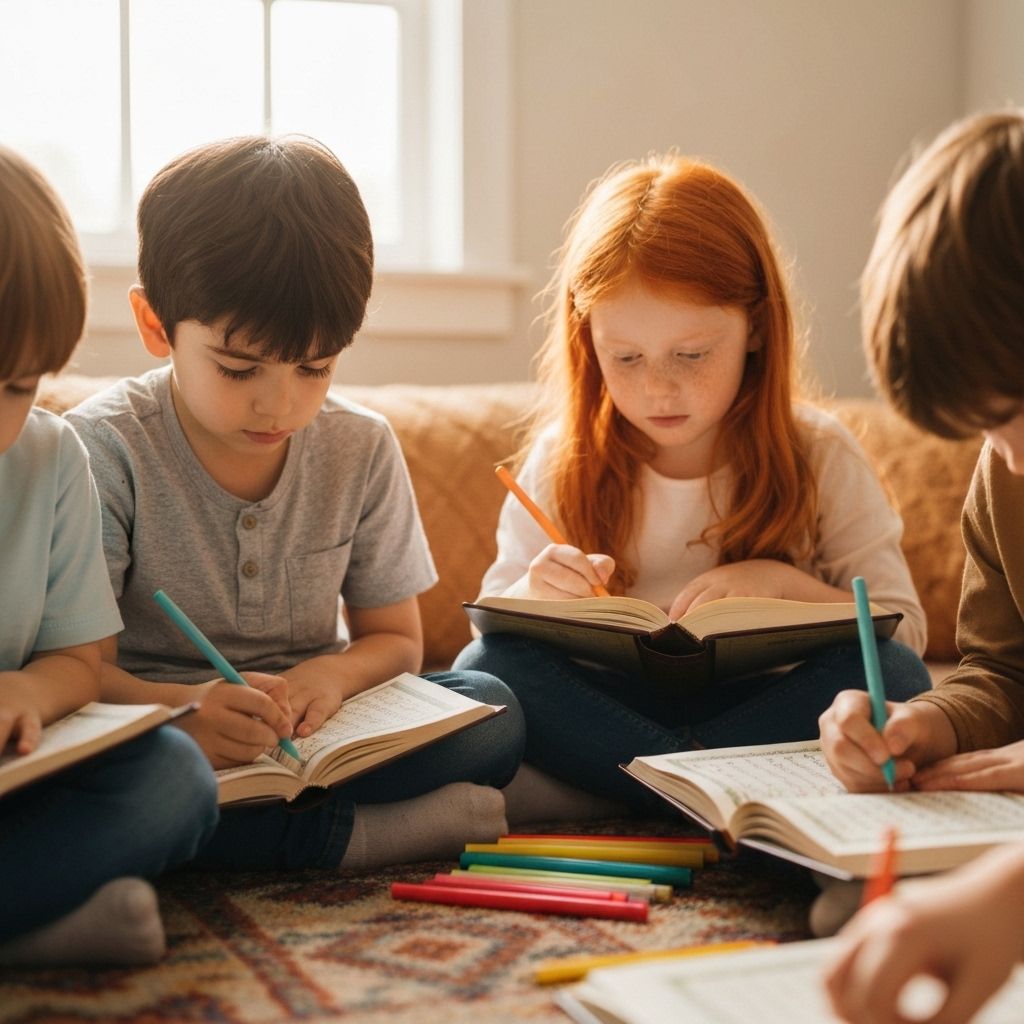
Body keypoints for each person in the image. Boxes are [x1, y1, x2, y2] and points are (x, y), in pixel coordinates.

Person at [65, 135, 524, 873]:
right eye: (238, 368)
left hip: (319, 735)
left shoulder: (361, 446)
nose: (280, 404)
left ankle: (254, 838)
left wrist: (329, 680)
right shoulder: (102, 449)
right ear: (155, 326)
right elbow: (78, 675)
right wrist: (184, 710)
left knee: (490, 708)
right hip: (167, 735)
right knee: (133, 788)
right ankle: (349, 837)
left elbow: (396, 641)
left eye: (315, 368)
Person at [453, 152, 930, 815]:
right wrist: (536, 594)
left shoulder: (819, 453)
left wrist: (784, 586)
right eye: (626, 357)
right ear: (588, 341)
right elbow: (492, 621)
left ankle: (639, 789)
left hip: (764, 706)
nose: (659, 388)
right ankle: (712, 789)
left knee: (901, 676)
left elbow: (904, 633)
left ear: (756, 326)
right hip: (606, 709)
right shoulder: (564, 457)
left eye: (692, 354)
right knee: (483, 669)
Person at [817, 110, 1024, 1018]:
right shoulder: (1004, 478)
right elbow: (1003, 670)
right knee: (852, 908)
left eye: (1015, 415)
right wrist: (929, 722)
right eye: (986, 428)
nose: (1009, 457)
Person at [0, 146, 218, 965]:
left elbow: (79, 661)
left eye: (17, 387)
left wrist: (27, 690)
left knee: (172, 775)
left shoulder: (50, 458)